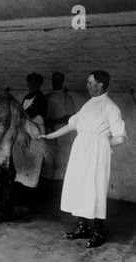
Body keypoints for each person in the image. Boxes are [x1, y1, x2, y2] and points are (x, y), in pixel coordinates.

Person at [39, 70, 127, 248]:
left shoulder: (110, 107)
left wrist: (102, 145)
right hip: (80, 152)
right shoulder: (88, 104)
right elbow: (71, 125)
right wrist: (49, 136)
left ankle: (98, 233)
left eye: (90, 82)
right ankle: (82, 228)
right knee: (80, 188)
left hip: (96, 154)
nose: (86, 85)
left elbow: (120, 137)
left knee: (95, 190)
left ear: (100, 84)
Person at [44, 72, 75, 180]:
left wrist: (54, 122)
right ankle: (49, 182)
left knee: (62, 158)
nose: (55, 82)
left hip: (63, 132)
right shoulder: (47, 97)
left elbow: (69, 117)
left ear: (62, 81)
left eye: (57, 80)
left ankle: (60, 184)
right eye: (53, 80)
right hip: (48, 131)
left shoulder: (67, 97)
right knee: (48, 158)